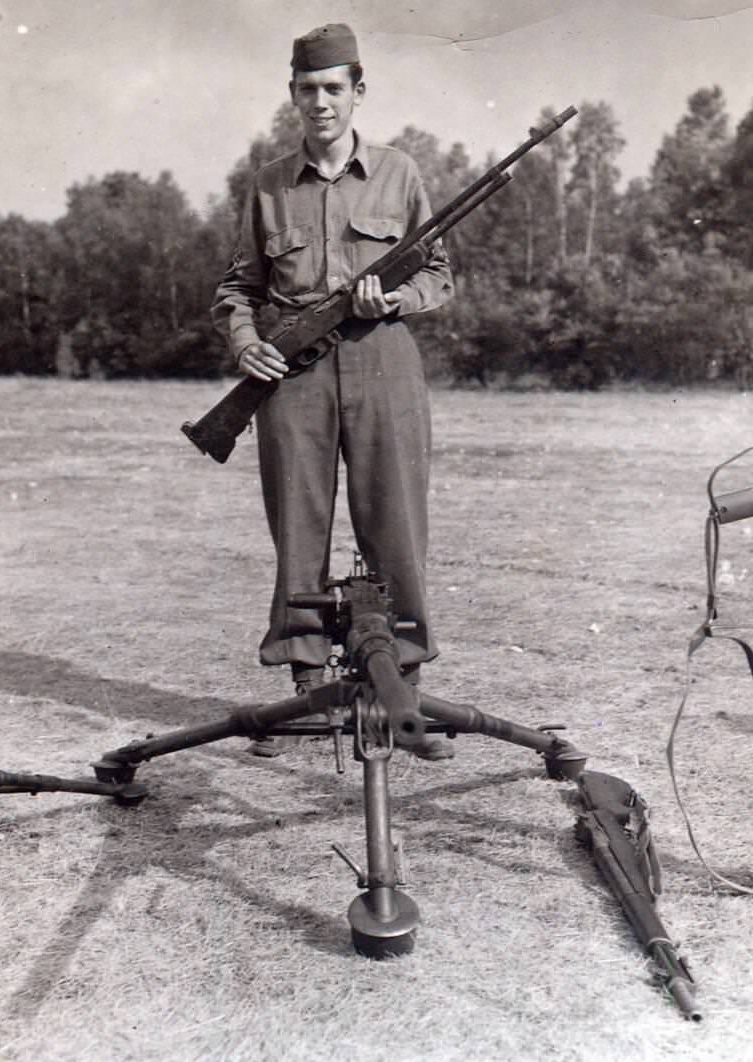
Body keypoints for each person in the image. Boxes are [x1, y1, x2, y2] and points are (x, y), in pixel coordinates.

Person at [211, 23, 454, 758]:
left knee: (396, 523)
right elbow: (237, 287)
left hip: (383, 362)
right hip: (293, 373)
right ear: (292, 95)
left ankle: (400, 681)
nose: (321, 102)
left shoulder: (400, 174)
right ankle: (306, 684)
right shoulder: (267, 183)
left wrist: (398, 303)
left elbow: (439, 275)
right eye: (307, 89)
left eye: (334, 89)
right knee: (298, 526)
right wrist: (248, 343)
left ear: (358, 93)